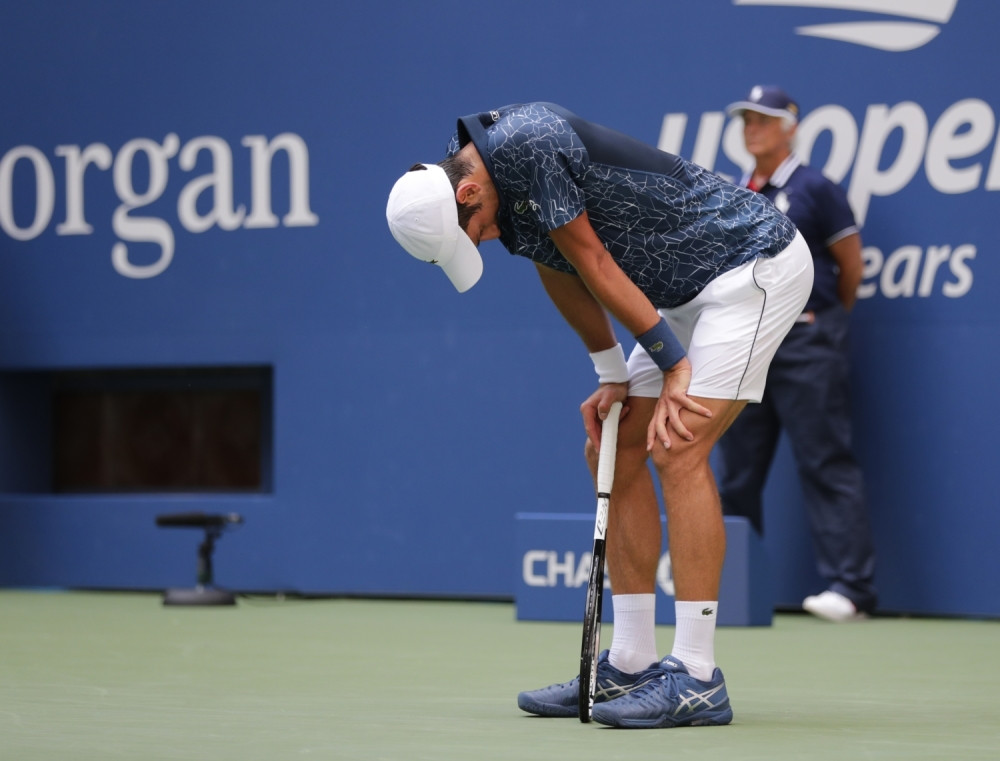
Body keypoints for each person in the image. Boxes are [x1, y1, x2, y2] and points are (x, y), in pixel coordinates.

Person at [385, 102, 813, 729]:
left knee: (678, 444)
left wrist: (673, 365)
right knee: (611, 444)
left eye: (474, 230)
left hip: (752, 268)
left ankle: (696, 676)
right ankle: (633, 660)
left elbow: (594, 262)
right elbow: (559, 269)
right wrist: (611, 374)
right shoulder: (492, 186)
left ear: (469, 191)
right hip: (684, 293)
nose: (485, 238)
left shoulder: (527, 145)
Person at [716, 85, 877, 622]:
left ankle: (851, 590)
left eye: (763, 119)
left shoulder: (817, 188)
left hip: (808, 343)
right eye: (746, 119)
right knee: (737, 469)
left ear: (790, 125)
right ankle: (729, 583)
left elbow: (848, 268)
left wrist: (820, 321)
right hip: (747, 344)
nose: (752, 127)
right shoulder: (737, 192)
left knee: (824, 460)